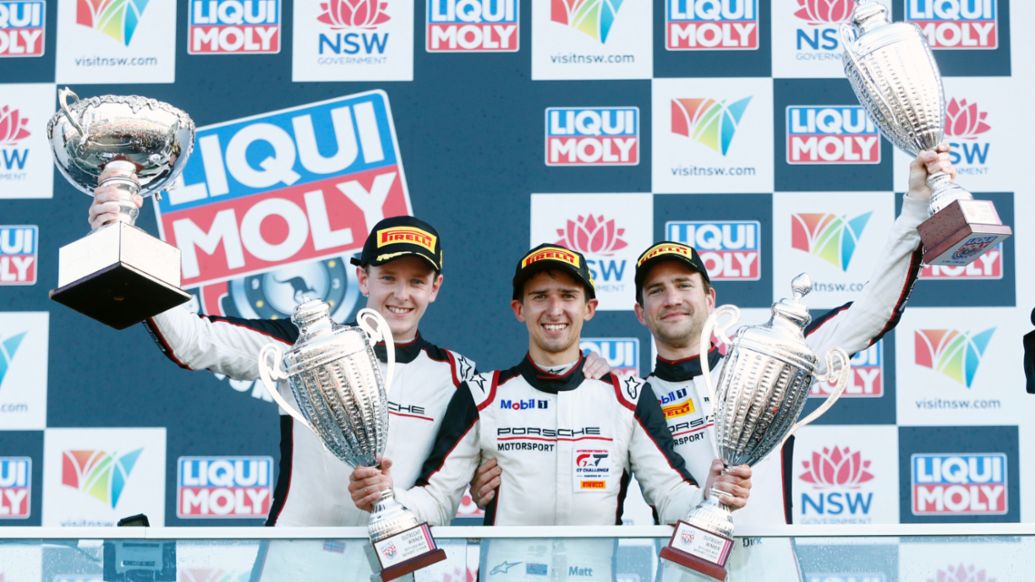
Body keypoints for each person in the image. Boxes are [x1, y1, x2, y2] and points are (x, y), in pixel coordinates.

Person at [628, 147, 955, 581]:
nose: (671, 298)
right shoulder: (631, 397)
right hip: (686, 572)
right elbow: (663, 498)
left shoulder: (769, 363)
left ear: (710, 299)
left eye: (683, 285)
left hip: (773, 571)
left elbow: (871, 312)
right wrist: (705, 496)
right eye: (656, 290)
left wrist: (915, 205)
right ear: (640, 311)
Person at [349, 243, 750, 579]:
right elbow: (437, 499)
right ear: (518, 309)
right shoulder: (482, 393)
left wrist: (708, 499)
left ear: (589, 308)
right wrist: (391, 499)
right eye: (540, 297)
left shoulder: (628, 395)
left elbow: (668, 495)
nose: (554, 309)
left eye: (568, 296)